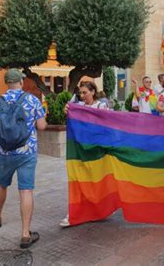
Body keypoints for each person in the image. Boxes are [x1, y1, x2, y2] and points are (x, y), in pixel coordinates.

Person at [0, 69, 47, 248]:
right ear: (21, 82)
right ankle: (25, 235)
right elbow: (41, 126)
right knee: (26, 190)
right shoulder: (33, 100)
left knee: (1, 185)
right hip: (27, 152)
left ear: (6, 82)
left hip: (4, 153)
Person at [60, 81, 108, 227]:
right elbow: (67, 112)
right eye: (80, 93)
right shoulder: (78, 106)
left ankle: (98, 210)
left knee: (95, 181)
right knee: (78, 179)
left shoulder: (101, 106)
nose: (82, 96)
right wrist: (67, 109)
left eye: (85, 92)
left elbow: (107, 125)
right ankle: (74, 212)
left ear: (93, 92)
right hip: (80, 150)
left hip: (96, 150)